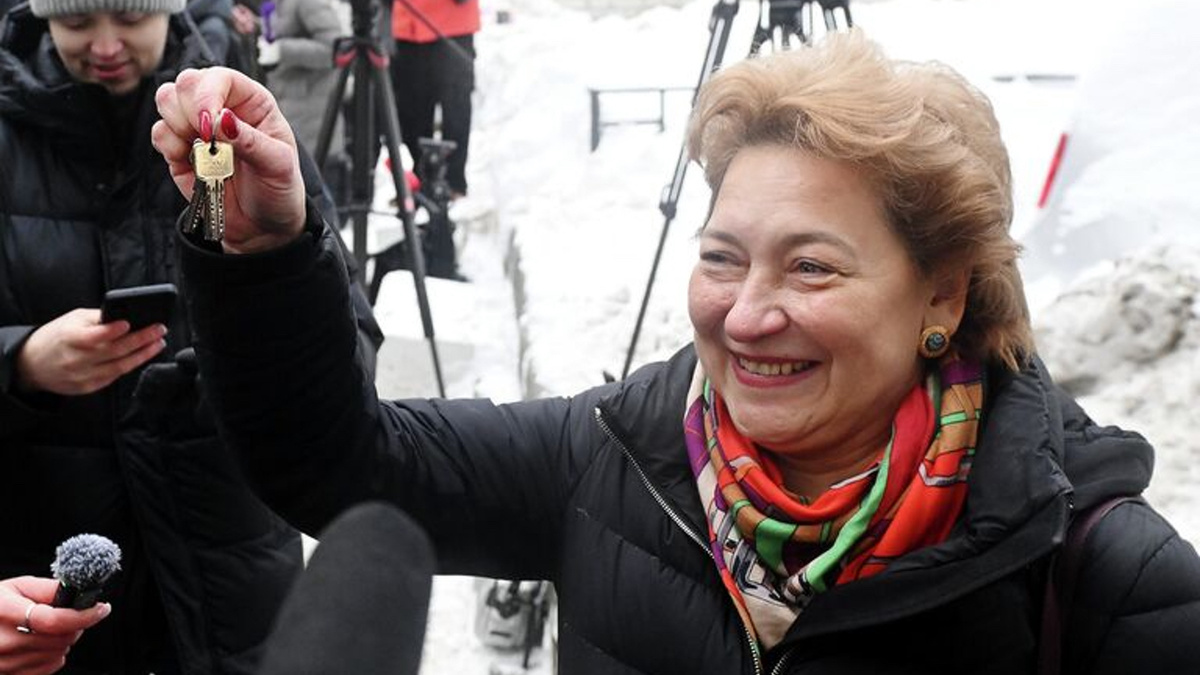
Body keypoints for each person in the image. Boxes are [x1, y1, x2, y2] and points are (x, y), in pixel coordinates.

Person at [151, 31, 1200, 674]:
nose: (746, 316)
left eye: (811, 268)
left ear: (943, 291)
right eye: (722, 258)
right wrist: (263, 252)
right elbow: (337, 464)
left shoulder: (1107, 575)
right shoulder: (619, 456)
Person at [0, 0, 381, 673]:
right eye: (78, 23)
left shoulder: (235, 128)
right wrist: (21, 363)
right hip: (49, 591)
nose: (106, 45)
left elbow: (349, 351)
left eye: (129, 18)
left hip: (233, 576)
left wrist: (247, 372)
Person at [388, 0, 477, 198]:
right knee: (411, 113)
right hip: (408, 26)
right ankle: (421, 179)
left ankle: (452, 182)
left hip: (453, 25)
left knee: (455, 110)